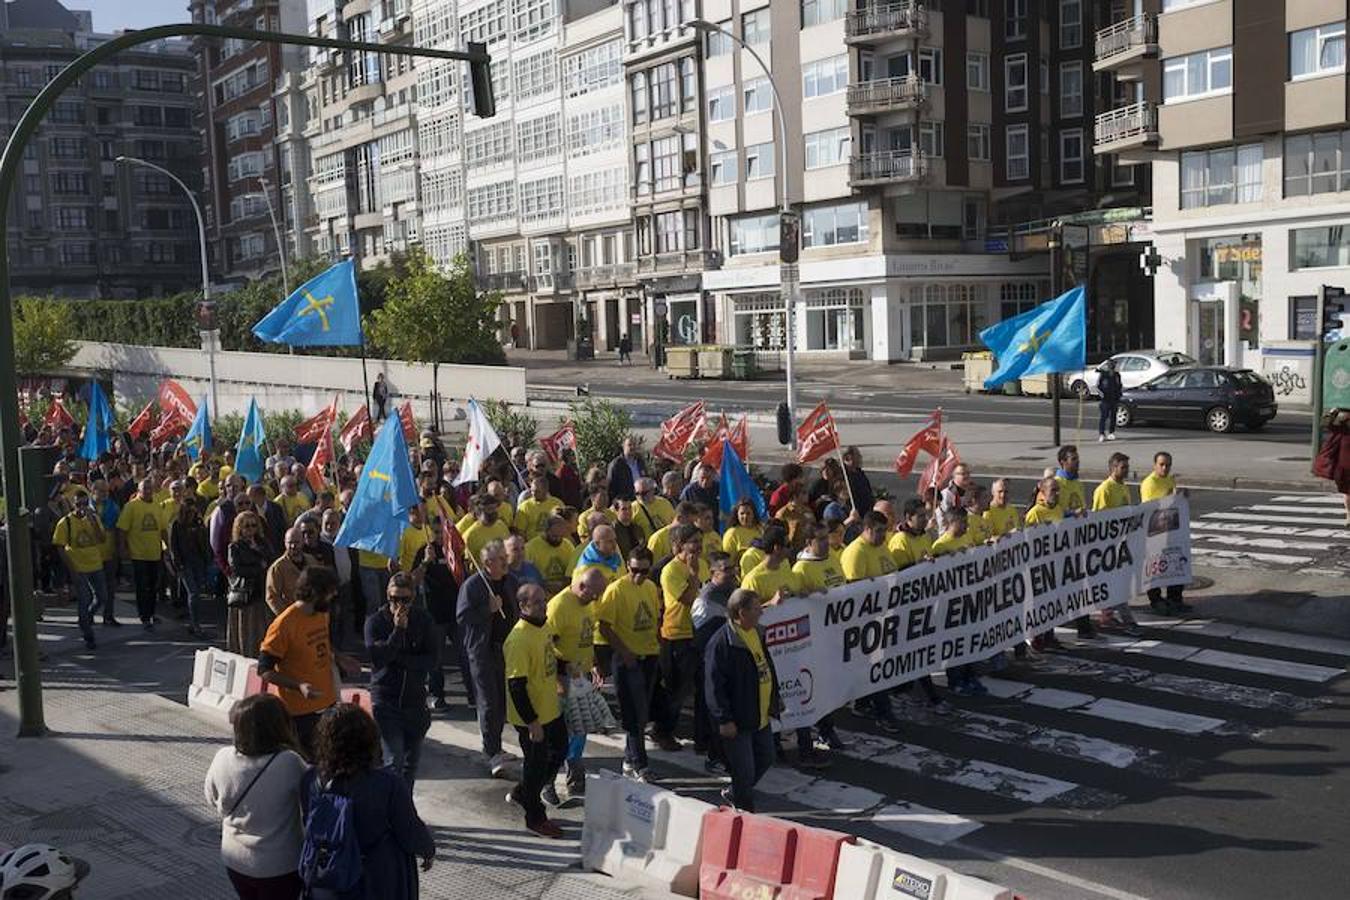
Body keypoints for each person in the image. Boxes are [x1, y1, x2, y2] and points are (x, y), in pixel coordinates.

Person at [300, 704, 435, 899]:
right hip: (377, 875)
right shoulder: (388, 784)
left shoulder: (310, 779)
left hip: (329, 871)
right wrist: (427, 850)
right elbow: (409, 829)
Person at [204, 693, 308, 900]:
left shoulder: (223, 756)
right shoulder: (289, 762)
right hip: (279, 865)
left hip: (235, 861)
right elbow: (310, 802)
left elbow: (211, 798)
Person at [705, 589, 780, 812]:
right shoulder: (722, 643)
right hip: (738, 719)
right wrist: (724, 719)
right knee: (744, 771)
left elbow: (765, 667)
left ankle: (737, 791)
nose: (761, 613)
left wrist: (775, 698)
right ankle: (745, 810)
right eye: (757, 609)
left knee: (766, 757)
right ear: (742, 612)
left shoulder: (756, 632)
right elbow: (713, 686)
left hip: (760, 714)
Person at [258, 566, 347, 755]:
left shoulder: (322, 613)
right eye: (330, 592)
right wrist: (298, 686)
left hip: (328, 703)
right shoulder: (284, 625)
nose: (334, 596)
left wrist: (338, 656)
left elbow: (322, 643)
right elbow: (264, 671)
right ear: (314, 593)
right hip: (299, 715)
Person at [504, 583, 568, 838]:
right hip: (533, 718)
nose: (544, 606)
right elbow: (516, 685)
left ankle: (524, 791)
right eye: (538, 602)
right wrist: (532, 723)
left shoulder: (543, 626)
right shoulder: (518, 639)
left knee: (559, 751)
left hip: (551, 708)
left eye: (544, 600)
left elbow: (549, 656)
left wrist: (565, 668)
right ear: (523, 606)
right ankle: (535, 816)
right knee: (536, 765)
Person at [365, 572, 436, 790]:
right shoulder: (375, 622)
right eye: (394, 599)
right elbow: (378, 658)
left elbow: (431, 659)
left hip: (414, 701)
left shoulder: (423, 620)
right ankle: (388, 811)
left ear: (413, 598)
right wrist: (398, 631)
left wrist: (401, 660)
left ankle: (403, 811)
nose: (399, 605)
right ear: (388, 596)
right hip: (386, 700)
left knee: (410, 766)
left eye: (404, 600)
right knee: (393, 762)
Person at [457, 539, 520, 777]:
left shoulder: (510, 581)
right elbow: (462, 617)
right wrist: (487, 609)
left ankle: (498, 745)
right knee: (489, 702)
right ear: (487, 563)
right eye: (501, 560)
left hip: (507, 651)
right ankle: (491, 752)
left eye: (505, 558)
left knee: (502, 702)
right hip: (483, 652)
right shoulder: (473, 586)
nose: (506, 563)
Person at [599, 546, 663, 782]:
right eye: (634, 570)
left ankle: (629, 759)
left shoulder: (649, 588)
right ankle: (640, 764)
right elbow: (604, 626)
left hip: (649, 656)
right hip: (628, 659)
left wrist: (658, 644)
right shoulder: (616, 590)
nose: (638, 575)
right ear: (627, 565)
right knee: (634, 713)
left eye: (644, 571)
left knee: (642, 712)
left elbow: (656, 618)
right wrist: (624, 652)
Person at [545, 567, 605, 803]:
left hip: (581, 676)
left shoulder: (586, 602)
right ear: (582, 586)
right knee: (557, 733)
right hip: (562, 678)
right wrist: (559, 675)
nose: (596, 599)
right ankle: (547, 782)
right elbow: (547, 645)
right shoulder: (560, 606)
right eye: (594, 594)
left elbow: (585, 636)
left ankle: (574, 777)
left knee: (579, 729)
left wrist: (594, 664)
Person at [653, 524, 704, 751]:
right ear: (681, 545)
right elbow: (687, 598)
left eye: (699, 540)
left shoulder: (700, 564)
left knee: (694, 686)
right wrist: (693, 574)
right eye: (693, 541)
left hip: (696, 632)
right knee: (675, 689)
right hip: (675, 635)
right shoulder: (671, 570)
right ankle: (662, 731)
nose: (698, 545)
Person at [1092, 453, 1143, 635]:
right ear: (1113, 468)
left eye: (1127, 467)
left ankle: (1107, 616)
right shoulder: (1104, 490)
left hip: (1122, 544)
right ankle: (1127, 621)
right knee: (1118, 585)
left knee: (1118, 584)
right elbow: (1100, 519)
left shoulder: (1123, 487)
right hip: (1109, 547)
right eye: (1123, 467)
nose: (1127, 470)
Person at [54, 492, 109, 651]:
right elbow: (60, 547)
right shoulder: (66, 523)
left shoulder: (94, 519)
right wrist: (72, 569)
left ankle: (88, 616)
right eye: (78, 504)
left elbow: (102, 539)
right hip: (79, 567)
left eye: (85, 504)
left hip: (95, 564)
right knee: (84, 599)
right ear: (73, 505)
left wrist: (93, 522)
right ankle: (87, 633)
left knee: (102, 597)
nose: (82, 508)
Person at [1140, 451, 1193, 615]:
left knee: (1176, 563)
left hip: (1170, 530)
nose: (1165, 468)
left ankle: (1175, 598)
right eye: (1161, 464)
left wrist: (1180, 497)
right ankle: (1156, 600)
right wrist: (1171, 499)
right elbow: (1150, 509)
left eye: (1168, 465)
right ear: (1154, 465)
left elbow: (1172, 500)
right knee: (1154, 568)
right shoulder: (1149, 483)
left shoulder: (1169, 479)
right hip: (1155, 532)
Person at [117, 477, 169, 631]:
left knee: (154, 586)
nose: (147, 491)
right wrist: (122, 548)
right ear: (138, 491)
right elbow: (122, 529)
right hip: (138, 554)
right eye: (144, 489)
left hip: (154, 553)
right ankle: (144, 616)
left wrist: (168, 548)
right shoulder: (131, 507)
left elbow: (163, 529)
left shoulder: (157, 506)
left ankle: (152, 613)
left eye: (149, 488)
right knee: (141, 586)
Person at [227, 511, 272, 658]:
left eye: (253, 525)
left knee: (262, 629)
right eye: (246, 526)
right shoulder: (235, 547)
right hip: (246, 595)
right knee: (246, 632)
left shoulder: (263, 543)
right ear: (239, 528)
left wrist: (257, 553)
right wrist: (259, 566)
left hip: (262, 591)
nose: (250, 529)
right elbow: (237, 569)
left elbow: (271, 560)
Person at [169, 496, 213, 638]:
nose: (191, 513)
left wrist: (208, 560)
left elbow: (205, 543)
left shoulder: (198, 523)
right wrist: (178, 565)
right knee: (193, 593)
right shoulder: (176, 524)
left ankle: (193, 621)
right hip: (185, 562)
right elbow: (173, 547)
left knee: (198, 592)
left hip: (199, 561)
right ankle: (196, 625)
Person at [525, 514, 577, 595]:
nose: (558, 539)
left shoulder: (567, 545)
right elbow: (527, 575)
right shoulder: (531, 548)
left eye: (561, 536)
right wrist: (545, 585)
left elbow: (573, 570)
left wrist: (564, 583)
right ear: (546, 531)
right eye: (554, 536)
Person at [266, 528, 312, 616]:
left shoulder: (312, 561)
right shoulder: (278, 568)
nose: (293, 546)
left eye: (296, 542)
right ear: (285, 543)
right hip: (290, 615)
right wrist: (286, 615)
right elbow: (272, 597)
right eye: (290, 543)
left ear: (303, 541)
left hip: (310, 614)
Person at [721, 500, 762, 567]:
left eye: (748, 513)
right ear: (737, 515)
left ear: (754, 514)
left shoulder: (760, 530)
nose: (745, 516)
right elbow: (728, 559)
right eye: (742, 513)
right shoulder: (732, 533)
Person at [1098, 359, 1124, 442]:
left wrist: (1119, 395)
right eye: (1110, 365)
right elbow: (1098, 386)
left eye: (1113, 365)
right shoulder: (1103, 375)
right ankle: (1102, 433)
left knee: (1113, 416)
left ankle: (1111, 432)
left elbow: (1119, 385)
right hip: (1105, 399)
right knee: (1104, 417)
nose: (1112, 367)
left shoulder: (1117, 375)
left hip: (1114, 399)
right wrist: (1102, 394)